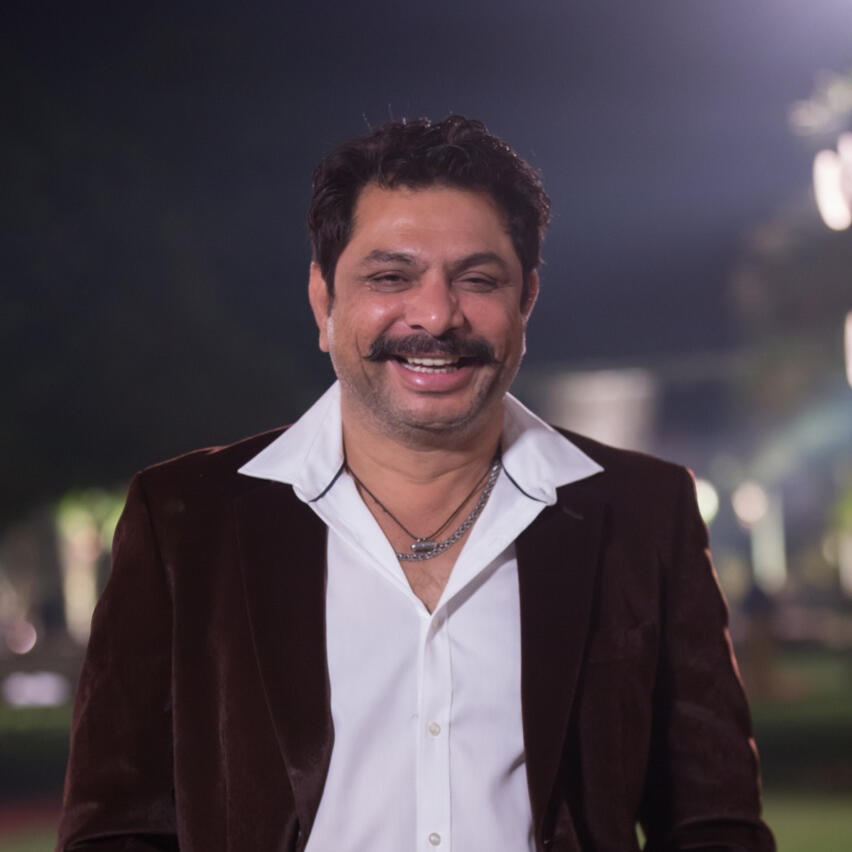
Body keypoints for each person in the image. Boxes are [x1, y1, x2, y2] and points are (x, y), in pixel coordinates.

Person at [57, 115, 775, 852]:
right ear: (324, 302)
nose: (436, 314)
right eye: (390, 277)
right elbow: (116, 831)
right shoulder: (185, 520)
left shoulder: (643, 514)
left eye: (478, 279)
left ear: (526, 300)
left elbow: (713, 825)